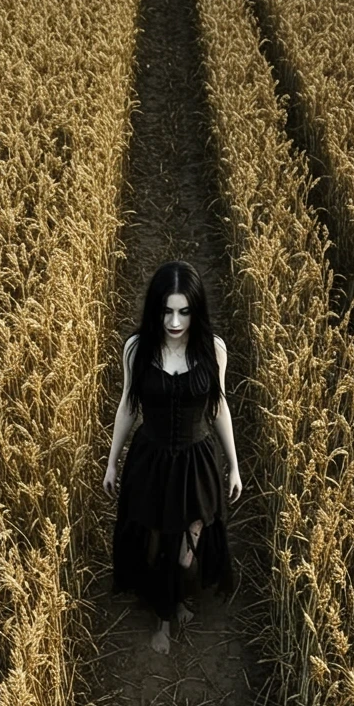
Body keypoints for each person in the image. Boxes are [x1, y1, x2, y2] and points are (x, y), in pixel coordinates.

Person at [103, 260, 241, 654]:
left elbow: (218, 407)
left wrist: (234, 464)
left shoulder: (213, 350)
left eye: (183, 311)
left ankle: (177, 599)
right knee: (156, 544)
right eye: (166, 311)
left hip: (196, 464)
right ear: (155, 310)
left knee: (186, 551)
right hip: (151, 462)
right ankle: (162, 622)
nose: (175, 321)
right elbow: (128, 407)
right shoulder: (137, 349)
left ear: (195, 310)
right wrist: (113, 462)